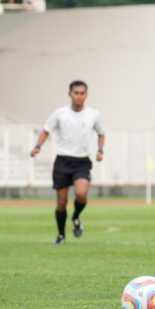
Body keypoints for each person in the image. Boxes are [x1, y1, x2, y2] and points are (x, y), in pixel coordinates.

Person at [31, 80, 104, 245]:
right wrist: (37, 146)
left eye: (82, 93)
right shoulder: (60, 113)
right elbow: (46, 130)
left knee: (81, 195)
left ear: (86, 95)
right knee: (61, 202)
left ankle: (76, 216)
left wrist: (100, 150)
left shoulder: (94, 114)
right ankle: (61, 235)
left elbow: (101, 133)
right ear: (70, 94)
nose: (79, 96)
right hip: (63, 160)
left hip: (82, 161)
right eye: (76, 93)